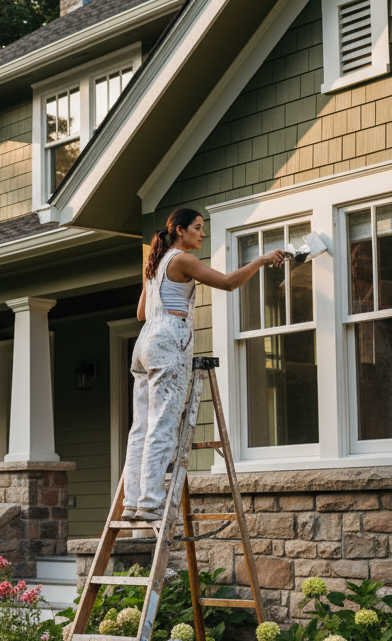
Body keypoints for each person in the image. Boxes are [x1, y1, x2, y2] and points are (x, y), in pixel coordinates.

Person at [121, 207, 286, 523]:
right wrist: (261, 260)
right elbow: (227, 283)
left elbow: (141, 313)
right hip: (168, 339)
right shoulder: (182, 259)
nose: (203, 233)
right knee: (163, 423)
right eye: (197, 227)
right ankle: (150, 502)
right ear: (180, 230)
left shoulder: (155, 262)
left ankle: (132, 501)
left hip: (144, 343)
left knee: (140, 427)